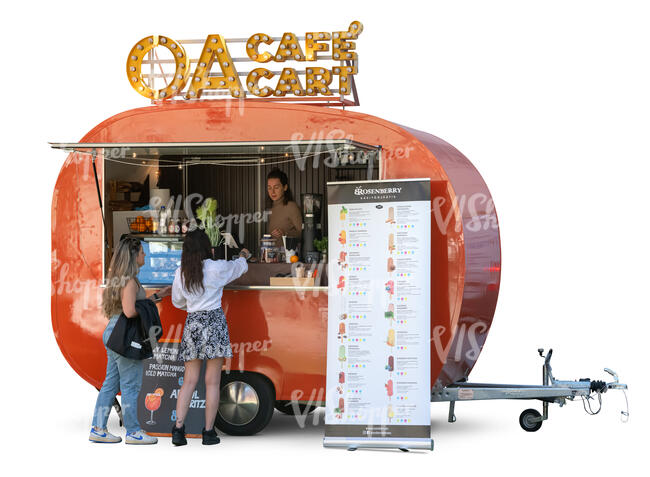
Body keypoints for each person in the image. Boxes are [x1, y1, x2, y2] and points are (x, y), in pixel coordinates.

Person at [170, 228, 250, 446]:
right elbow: (238, 268)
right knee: (212, 382)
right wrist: (243, 256)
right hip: (214, 322)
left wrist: (192, 304)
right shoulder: (216, 267)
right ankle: (208, 433)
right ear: (208, 247)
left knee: (189, 381)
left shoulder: (181, 272)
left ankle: (178, 430)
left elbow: (177, 301)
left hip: (193, 323)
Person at [90, 236, 171, 444]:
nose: (145, 255)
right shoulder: (130, 281)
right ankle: (133, 432)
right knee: (131, 385)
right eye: (142, 252)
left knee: (110, 384)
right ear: (134, 256)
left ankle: (98, 428)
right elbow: (130, 311)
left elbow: (130, 306)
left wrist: (153, 298)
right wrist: (149, 305)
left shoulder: (121, 278)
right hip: (126, 337)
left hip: (114, 333)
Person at [266, 168, 302, 248]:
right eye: (269, 188)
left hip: (289, 257)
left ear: (285, 187)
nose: (272, 192)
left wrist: (285, 233)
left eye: (276, 187)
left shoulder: (291, 206)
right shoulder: (270, 208)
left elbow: (302, 233)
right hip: (272, 256)